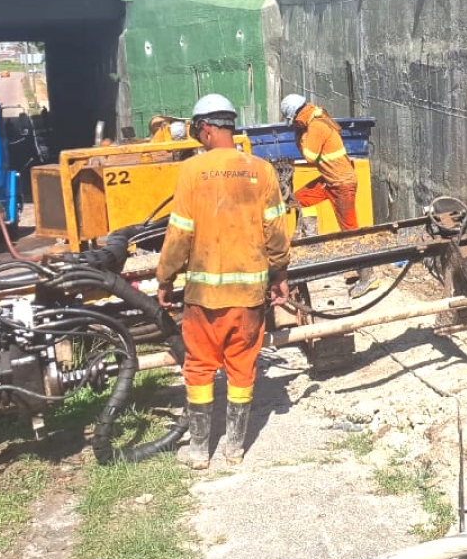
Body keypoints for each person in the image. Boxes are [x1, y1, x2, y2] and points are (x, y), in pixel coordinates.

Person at [157, 93, 291, 469]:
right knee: (242, 366)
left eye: (198, 131)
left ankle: (200, 451)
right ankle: (234, 450)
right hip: (248, 295)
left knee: (200, 367)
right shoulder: (261, 170)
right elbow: (276, 233)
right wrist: (280, 274)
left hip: (203, 298)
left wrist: (165, 279)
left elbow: (179, 234)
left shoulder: (191, 171)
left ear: (205, 129)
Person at [280, 93, 378, 299]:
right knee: (297, 199)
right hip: (330, 181)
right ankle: (307, 246)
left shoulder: (316, 126)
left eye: (294, 122)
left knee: (350, 232)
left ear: (298, 114)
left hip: (342, 184)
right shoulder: (314, 121)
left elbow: (309, 156)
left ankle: (369, 277)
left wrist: (299, 135)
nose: (294, 126)